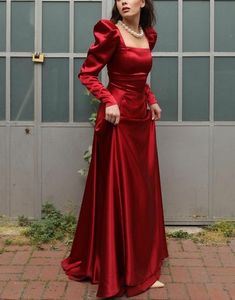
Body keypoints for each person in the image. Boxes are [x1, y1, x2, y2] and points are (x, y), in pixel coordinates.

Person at [61, 0, 169, 298]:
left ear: (142, 2)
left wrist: (151, 98)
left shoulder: (148, 35)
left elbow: (138, 78)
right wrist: (108, 100)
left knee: (141, 191)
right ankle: (121, 269)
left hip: (141, 121)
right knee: (120, 190)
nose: (123, 1)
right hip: (117, 120)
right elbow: (87, 74)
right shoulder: (110, 33)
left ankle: (139, 263)